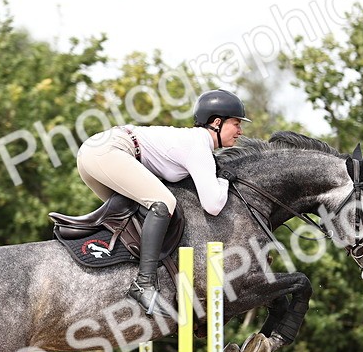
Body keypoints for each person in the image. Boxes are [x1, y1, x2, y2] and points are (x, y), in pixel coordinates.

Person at [75, 88, 249, 314]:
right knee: (163, 203)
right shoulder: (199, 146)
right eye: (236, 124)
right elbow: (213, 205)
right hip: (109, 151)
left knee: (138, 216)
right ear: (217, 122)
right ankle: (144, 285)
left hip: (95, 152)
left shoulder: (192, 141)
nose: (240, 131)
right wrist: (224, 180)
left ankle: (114, 275)